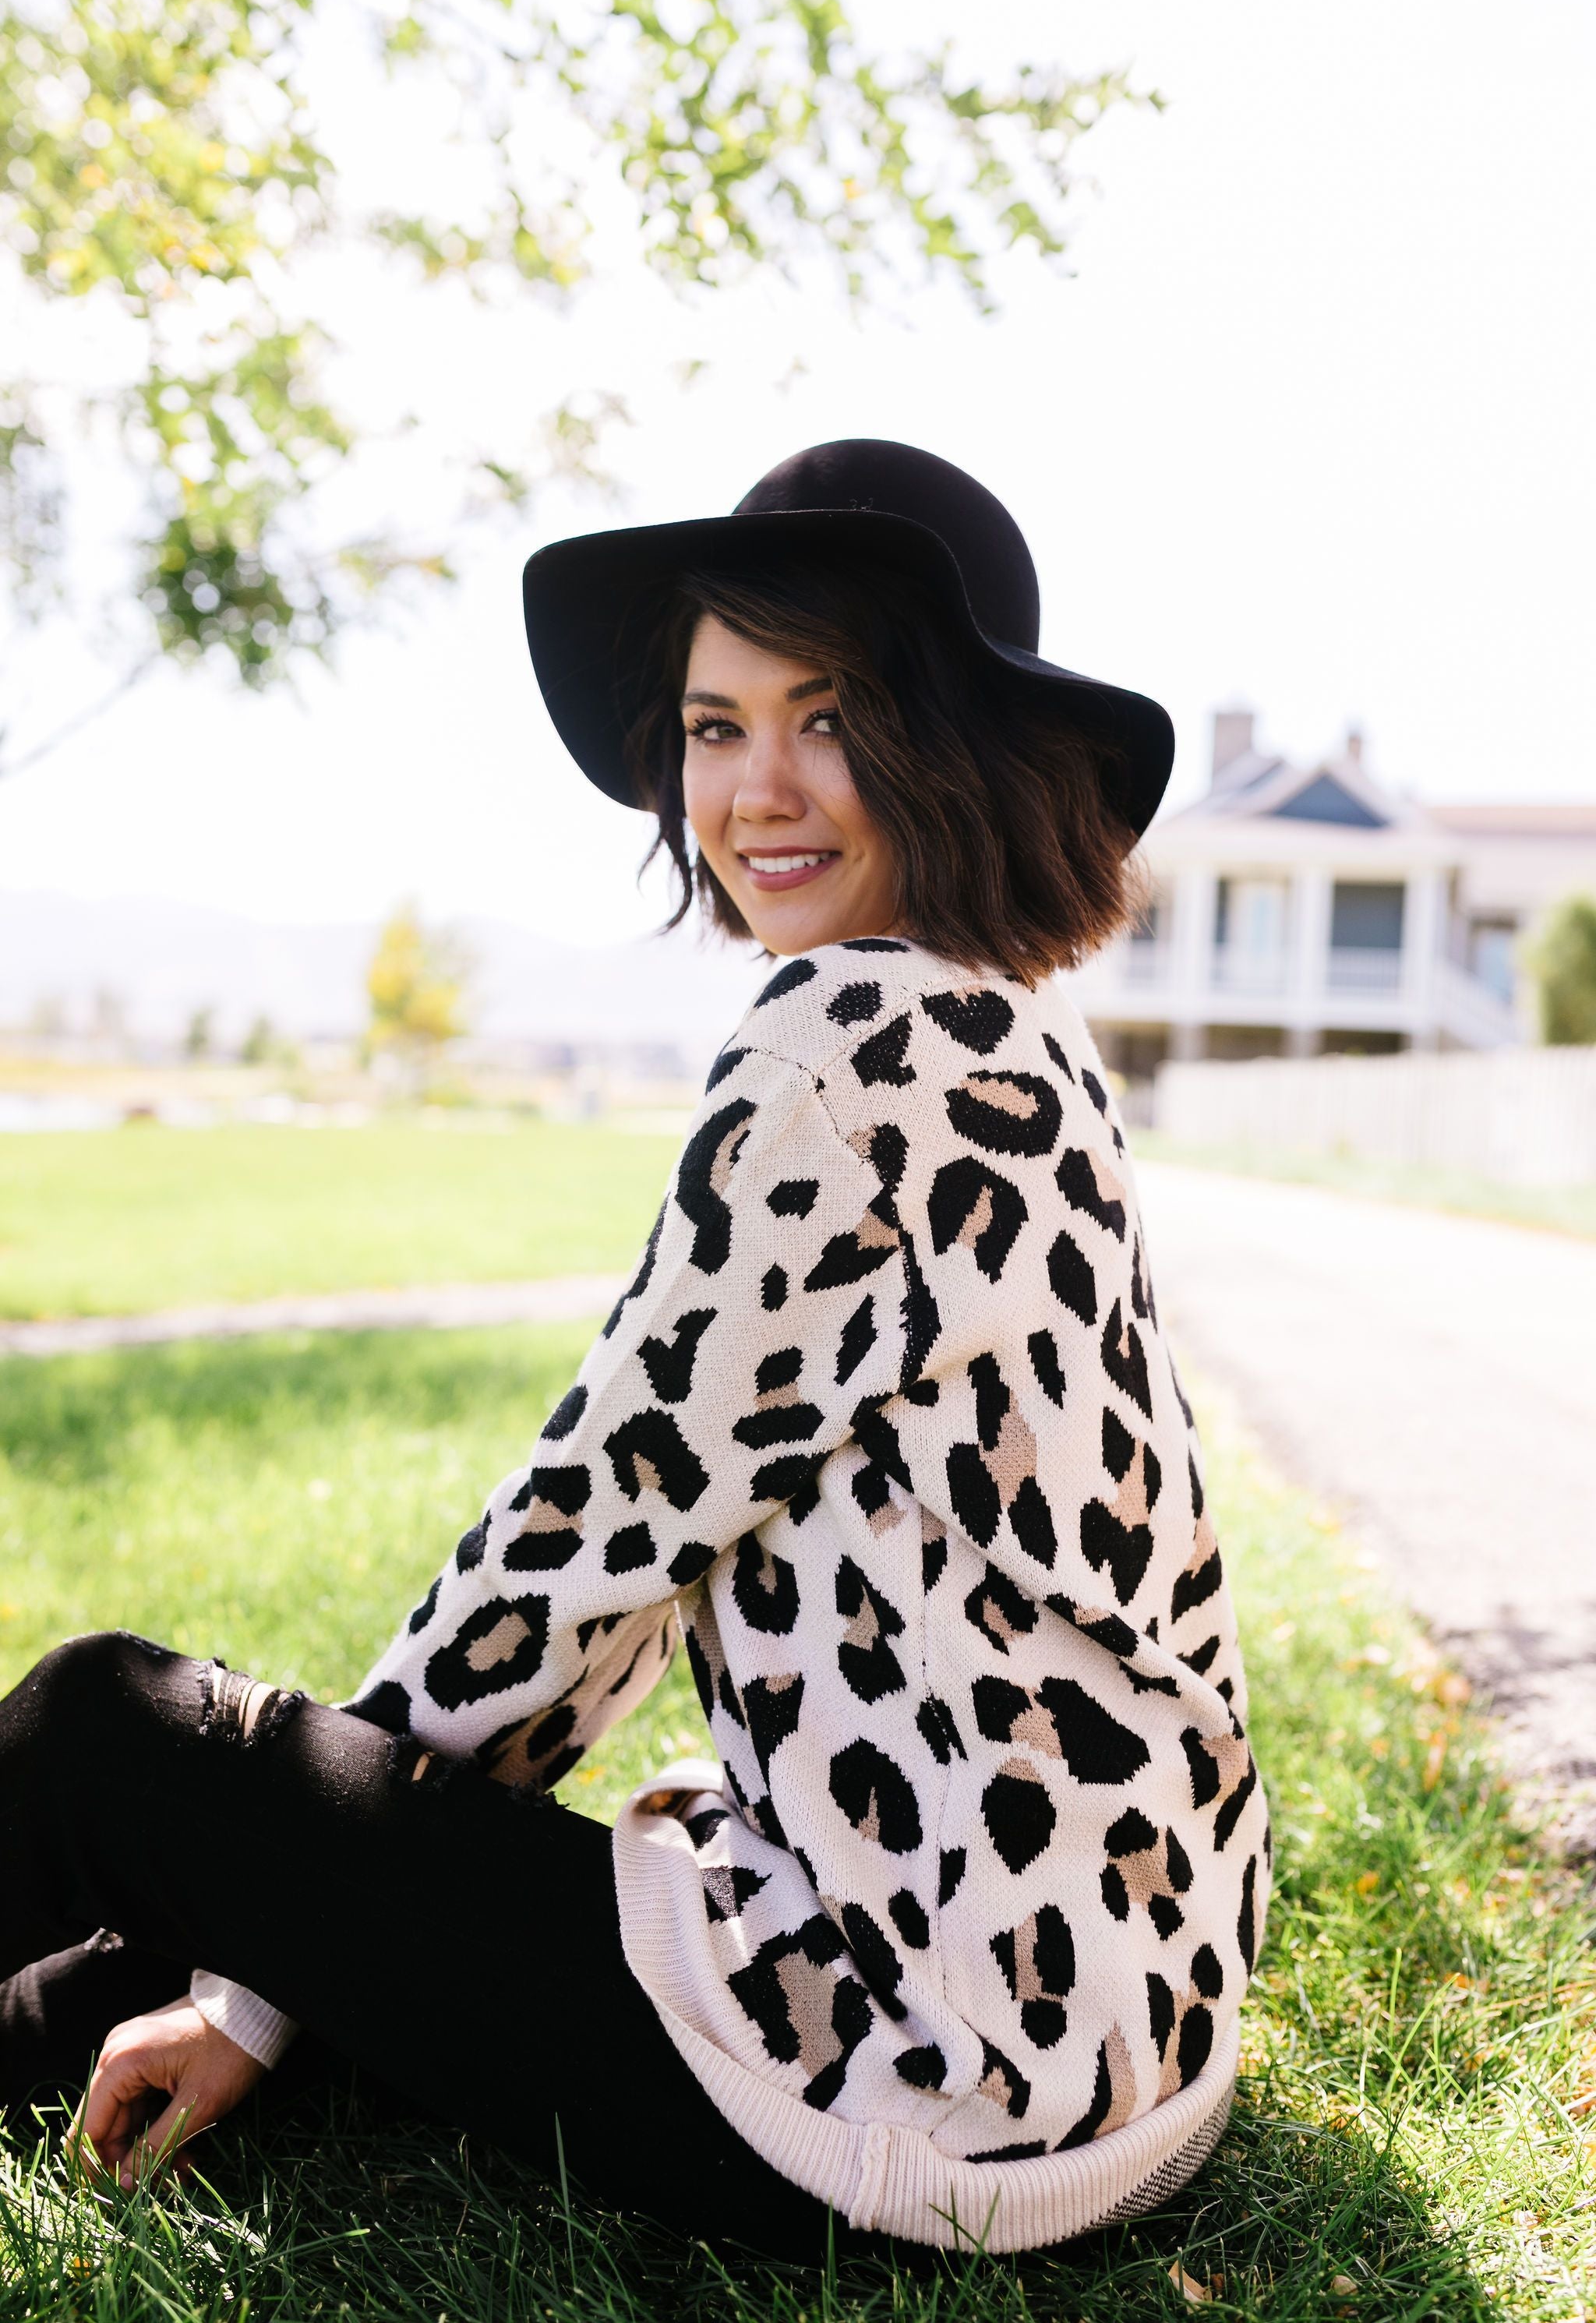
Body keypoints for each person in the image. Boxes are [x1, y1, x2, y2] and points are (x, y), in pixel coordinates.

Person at [0, 440, 1269, 2261]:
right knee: (207, 1927)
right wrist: (272, 1955)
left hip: (926, 2071)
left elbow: (593, 1532)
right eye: (709, 724)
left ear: (952, 743)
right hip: (1118, 2032)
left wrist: (275, 1964)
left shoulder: (843, 1042)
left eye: (826, 717)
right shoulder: (1018, 1039)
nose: (755, 789)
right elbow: (657, 1541)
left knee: (114, 1734)